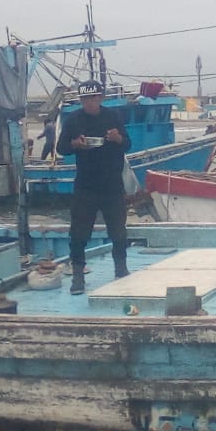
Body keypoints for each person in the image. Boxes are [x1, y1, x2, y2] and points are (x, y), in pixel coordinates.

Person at [56, 79, 133, 294]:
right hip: (85, 185)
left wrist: (117, 139)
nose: (89, 102)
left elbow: (128, 144)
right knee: (78, 233)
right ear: (81, 100)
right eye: (85, 99)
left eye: (93, 98)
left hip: (112, 185)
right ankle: (78, 278)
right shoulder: (73, 120)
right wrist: (74, 144)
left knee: (118, 231)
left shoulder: (113, 117)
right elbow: (61, 148)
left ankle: (121, 269)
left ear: (100, 98)